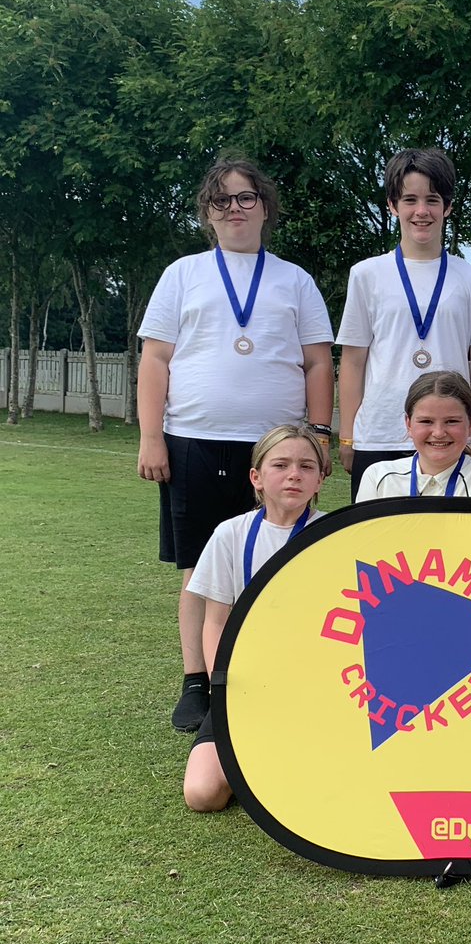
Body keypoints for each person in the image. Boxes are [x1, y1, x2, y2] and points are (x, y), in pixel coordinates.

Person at [136, 157, 334, 734]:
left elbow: (319, 361)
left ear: (265, 208)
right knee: (200, 568)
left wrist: (319, 437)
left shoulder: (294, 279)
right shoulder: (183, 274)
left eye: (246, 198)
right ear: (207, 213)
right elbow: (155, 358)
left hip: (274, 449)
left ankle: (276, 668)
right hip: (193, 440)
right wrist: (152, 437)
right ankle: (197, 681)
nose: (234, 208)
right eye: (221, 200)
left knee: (281, 560)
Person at [337, 148, 471, 500]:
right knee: (379, 549)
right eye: (409, 200)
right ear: (392, 205)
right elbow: (352, 361)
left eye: (432, 200)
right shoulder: (366, 274)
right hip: (379, 435)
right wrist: (348, 435)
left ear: (448, 207)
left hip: (450, 439)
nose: (421, 211)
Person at [183, 425, 327, 812]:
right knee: (202, 794)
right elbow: (215, 621)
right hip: (245, 687)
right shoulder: (230, 534)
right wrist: (223, 690)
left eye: (306, 466)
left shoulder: (333, 534)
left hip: (314, 688)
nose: (294, 474)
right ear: (256, 477)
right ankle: (254, 760)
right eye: (280, 464)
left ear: (319, 480)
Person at [356, 371, 471, 500]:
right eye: (426, 421)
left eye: (451, 421)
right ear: (408, 424)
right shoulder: (378, 477)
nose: (439, 433)